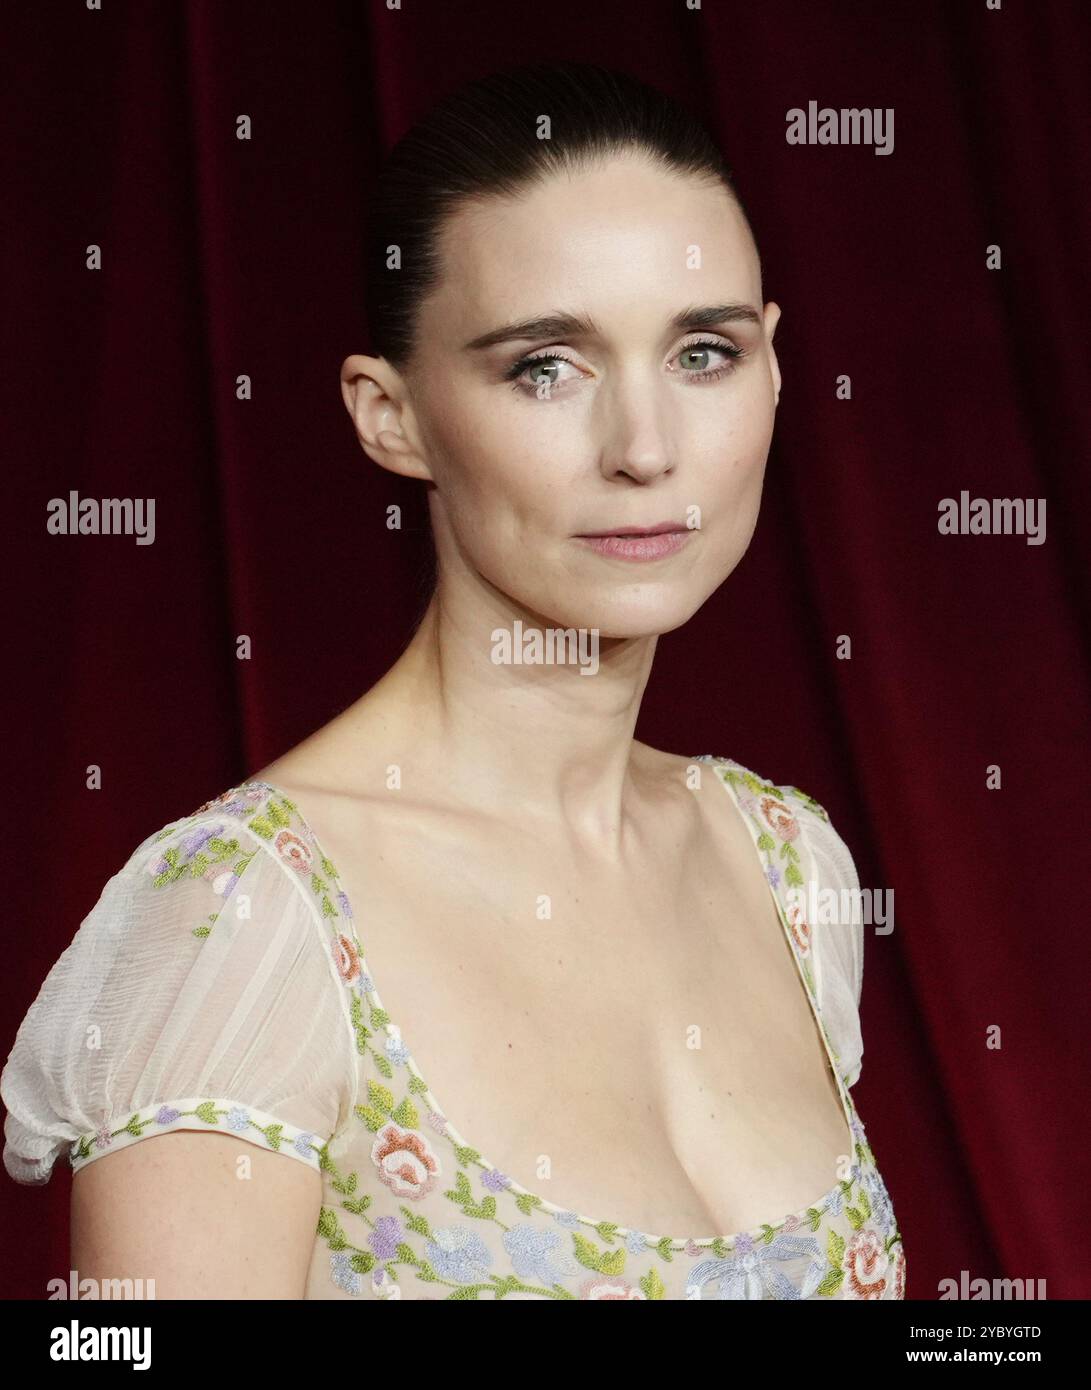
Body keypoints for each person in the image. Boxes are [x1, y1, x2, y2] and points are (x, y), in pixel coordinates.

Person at [0, 61, 905, 1301]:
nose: (644, 449)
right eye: (545, 366)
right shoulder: (245, 920)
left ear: (773, 368)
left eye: (703, 352)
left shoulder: (787, 862)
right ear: (391, 415)